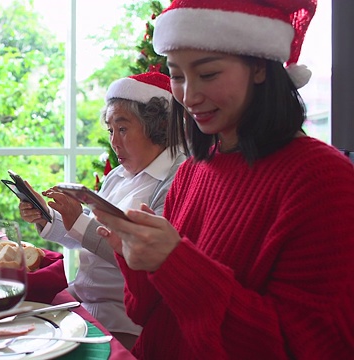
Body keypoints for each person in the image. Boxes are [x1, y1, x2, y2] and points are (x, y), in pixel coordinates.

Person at [93, 0, 354, 358]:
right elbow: (149, 313)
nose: (188, 95)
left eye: (208, 74)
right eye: (177, 75)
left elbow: (304, 346)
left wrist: (174, 263)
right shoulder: (191, 173)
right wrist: (136, 254)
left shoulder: (324, 181)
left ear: (259, 66)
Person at [19, 72, 186, 349]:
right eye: (110, 130)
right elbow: (89, 236)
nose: (114, 142)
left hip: (123, 318)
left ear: (156, 126)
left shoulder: (175, 179)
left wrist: (80, 223)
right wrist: (50, 216)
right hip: (82, 300)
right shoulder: (118, 175)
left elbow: (142, 255)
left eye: (122, 129)